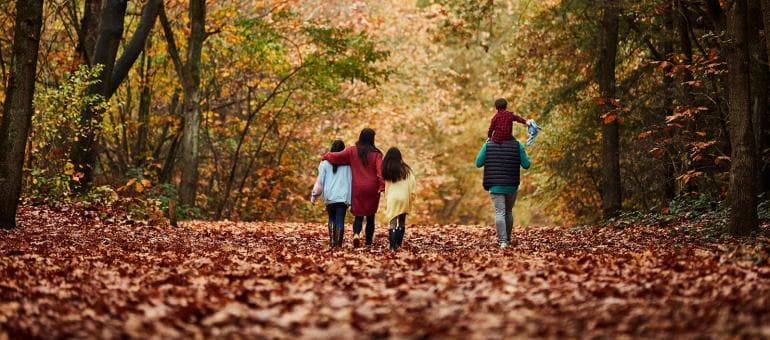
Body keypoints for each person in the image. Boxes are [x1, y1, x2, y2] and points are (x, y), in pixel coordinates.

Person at [323, 128, 385, 247]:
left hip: (358, 188)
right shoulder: (377, 154)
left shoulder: (352, 151)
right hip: (372, 188)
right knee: (371, 215)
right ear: (372, 138)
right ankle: (368, 241)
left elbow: (337, 156)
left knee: (359, 214)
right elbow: (380, 171)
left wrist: (326, 156)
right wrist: (382, 185)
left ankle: (356, 234)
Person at [475, 136, 531, 249]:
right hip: (511, 185)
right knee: (508, 211)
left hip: (495, 186)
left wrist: (486, 145)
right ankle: (508, 239)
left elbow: (478, 163)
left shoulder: (488, 145)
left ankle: (503, 242)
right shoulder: (517, 145)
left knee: (500, 212)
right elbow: (526, 165)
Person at [311, 139, 352, 248]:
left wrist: (314, 195)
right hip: (343, 196)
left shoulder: (324, 163)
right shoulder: (349, 164)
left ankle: (332, 242)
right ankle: (338, 245)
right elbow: (352, 180)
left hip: (329, 196)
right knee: (340, 218)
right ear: (343, 151)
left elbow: (320, 182)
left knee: (331, 218)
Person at [381, 147, 416, 251]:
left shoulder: (387, 170)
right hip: (404, 198)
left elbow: (386, 187)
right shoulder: (407, 170)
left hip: (392, 198)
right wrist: (412, 197)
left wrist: (386, 199)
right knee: (401, 222)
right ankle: (398, 245)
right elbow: (412, 185)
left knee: (392, 223)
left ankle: (392, 247)